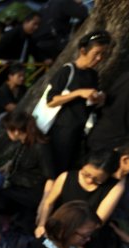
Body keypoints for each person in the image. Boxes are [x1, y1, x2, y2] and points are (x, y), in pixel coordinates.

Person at [35, 150, 127, 248]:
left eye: (97, 180)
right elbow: (48, 203)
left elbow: (99, 220)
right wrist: (42, 224)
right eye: (86, 174)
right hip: (60, 229)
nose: (89, 180)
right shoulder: (66, 177)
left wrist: (74, 235)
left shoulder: (115, 186)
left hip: (89, 235)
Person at [44, 30, 111, 174]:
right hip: (61, 130)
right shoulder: (67, 71)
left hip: (80, 131)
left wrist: (98, 98)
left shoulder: (93, 75)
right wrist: (78, 93)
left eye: (103, 54)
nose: (99, 58)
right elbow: (51, 101)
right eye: (96, 53)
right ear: (83, 51)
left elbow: (89, 102)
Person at [0, 112, 55, 233]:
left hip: (30, 192)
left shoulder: (41, 147)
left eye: (8, 130)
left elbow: (50, 177)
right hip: (17, 187)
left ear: (17, 131)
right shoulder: (24, 142)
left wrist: (44, 203)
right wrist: (9, 165)